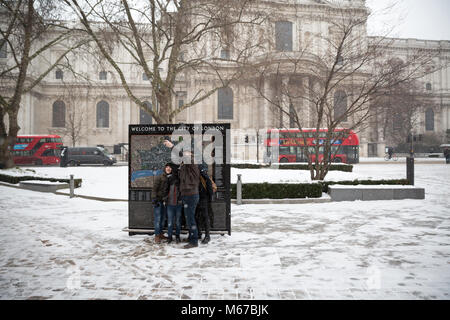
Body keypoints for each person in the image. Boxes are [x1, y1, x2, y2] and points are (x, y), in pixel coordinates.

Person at [178, 150, 200, 249]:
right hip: (186, 194)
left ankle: (194, 241)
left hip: (191, 195)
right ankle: (191, 237)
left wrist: (173, 147)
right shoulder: (185, 166)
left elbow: (186, 158)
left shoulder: (192, 163)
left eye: (188, 153)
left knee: (190, 218)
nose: (185, 155)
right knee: (189, 218)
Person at [151, 164, 170, 244]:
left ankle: (160, 233)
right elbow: (154, 189)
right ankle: (157, 236)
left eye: (170, 168)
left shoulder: (171, 178)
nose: (168, 169)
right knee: (158, 219)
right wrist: (154, 199)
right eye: (167, 167)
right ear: (164, 168)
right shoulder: (159, 177)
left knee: (163, 219)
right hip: (158, 201)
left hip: (165, 201)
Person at [164, 163, 183, 244]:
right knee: (170, 222)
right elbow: (165, 191)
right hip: (170, 204)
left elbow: (181, 192)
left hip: (178, 204)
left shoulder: (179, 180)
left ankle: (177, 236)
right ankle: (170, 236)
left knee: (178, 221)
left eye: (170, 167)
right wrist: (165, 199)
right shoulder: (167, 179)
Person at [196, 164, 214, 244]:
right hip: (198, 198)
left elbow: (209, 188)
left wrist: (209, 199)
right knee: (198, 216)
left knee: (204, 216)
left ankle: (207, 235)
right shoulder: (200, 176)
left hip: (203, 199)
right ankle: (200, 233)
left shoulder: (204, 177)